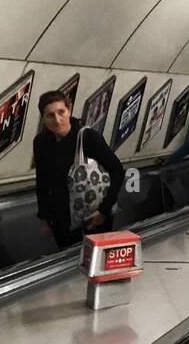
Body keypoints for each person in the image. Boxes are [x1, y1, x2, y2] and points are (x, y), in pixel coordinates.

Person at [33, 89, 125, 249]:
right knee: (69, 261)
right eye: (50, 115)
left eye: (61, 112)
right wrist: (44, 218)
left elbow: (117, 170)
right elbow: (42, 180)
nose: (57, 119)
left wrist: (104, 210)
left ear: (69, 110)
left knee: (96, 260)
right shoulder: (41, 142)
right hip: (61, 217)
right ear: (43, 118)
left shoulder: (87, 137)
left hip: (94, 213)